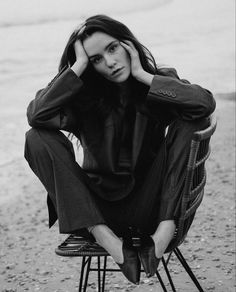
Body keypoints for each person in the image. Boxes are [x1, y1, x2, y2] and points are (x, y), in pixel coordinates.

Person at [24, 14, 216, 284]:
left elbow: (204, 104)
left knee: (191, 120)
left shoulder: (159, 82)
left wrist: (142, 75)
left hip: (153, 207)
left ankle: (160, 239)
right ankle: (112, 244)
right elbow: (37, 116)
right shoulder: (82, 98)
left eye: (112, 48)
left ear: (128, 44)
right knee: (36, 137)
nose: (110, 62)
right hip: (98, 211)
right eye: (96, 59)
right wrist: (77, 66)